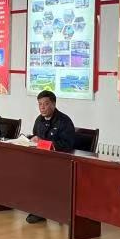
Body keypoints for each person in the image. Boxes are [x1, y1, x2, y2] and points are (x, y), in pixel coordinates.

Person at [26, 90, 76, 224]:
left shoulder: (64, 121)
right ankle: (34, 207)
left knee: (40, 175)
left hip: (60, 162)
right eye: (40, 104)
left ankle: (40, 210)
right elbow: (36, 137)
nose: (42, 107)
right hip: (42, 159)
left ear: (53, 104)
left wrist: (42, 142)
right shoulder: (39, 120)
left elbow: (66, 145)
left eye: (46, 104)